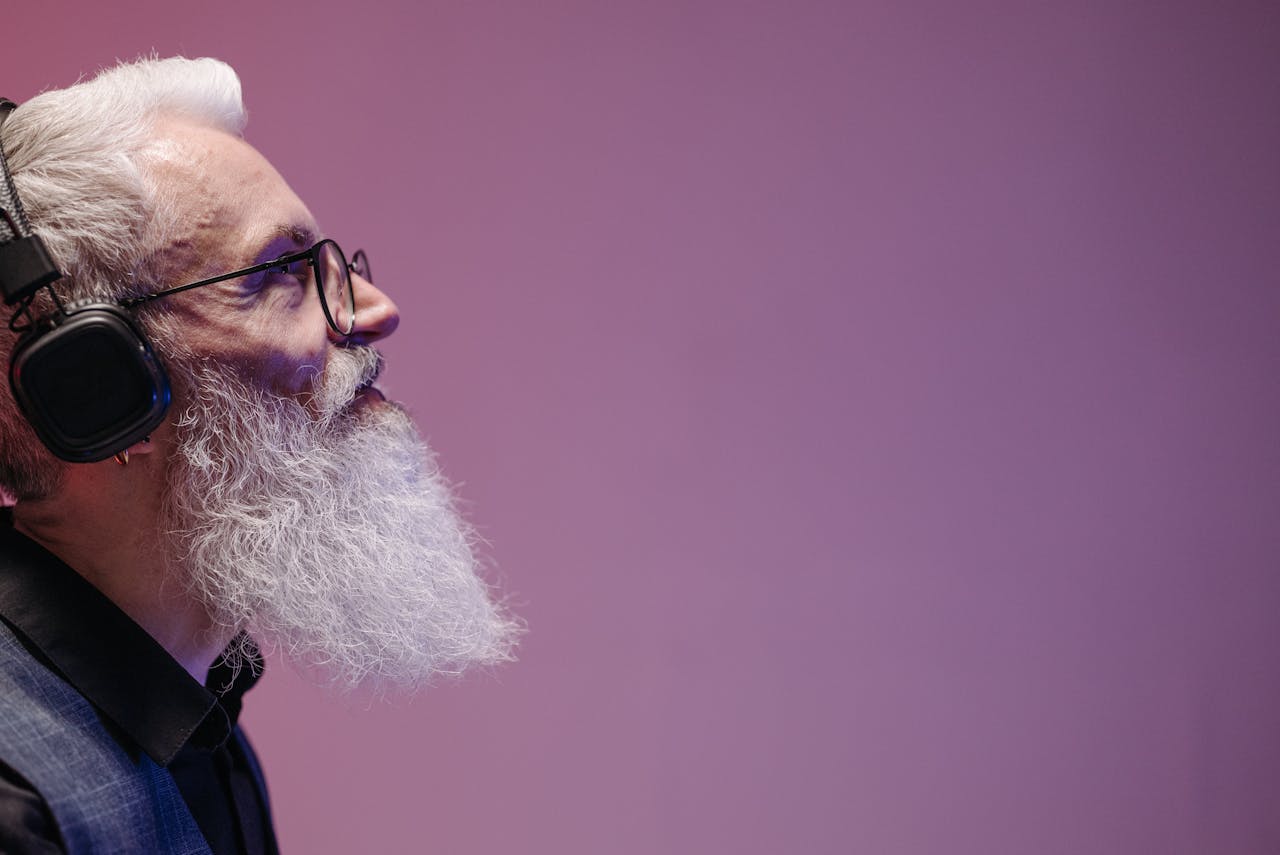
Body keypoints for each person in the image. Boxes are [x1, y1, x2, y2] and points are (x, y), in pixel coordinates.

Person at [0, 56, 518, 854]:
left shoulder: (202, 724)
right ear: (97, 386)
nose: (375, 308)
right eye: (280, 271)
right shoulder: (17, 804)